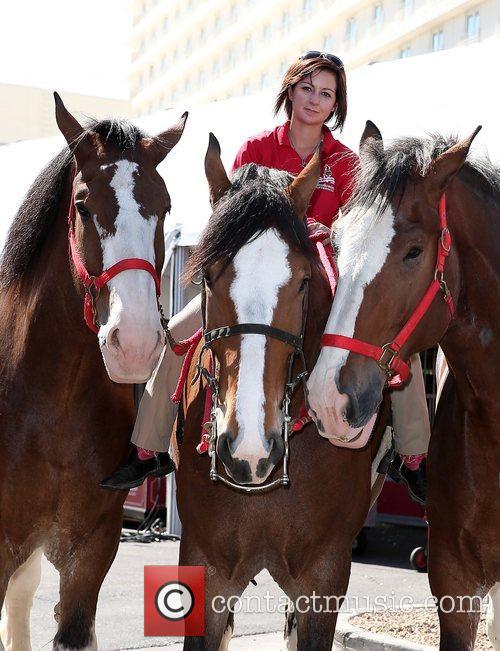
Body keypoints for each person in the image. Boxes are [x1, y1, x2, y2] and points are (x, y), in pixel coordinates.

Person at [100, 52, 429, 503]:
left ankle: (413, 458)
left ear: (337, 105)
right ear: (290, 91)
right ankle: (147, 449)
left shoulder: (348, 162)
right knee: (175, 336)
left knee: (392, 346)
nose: (315, 100)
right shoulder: (255, 148)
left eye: (326, 93)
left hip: (323, 273)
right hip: (255, 277)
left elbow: (359, 233)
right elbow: (231, 221)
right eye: (307, 88)